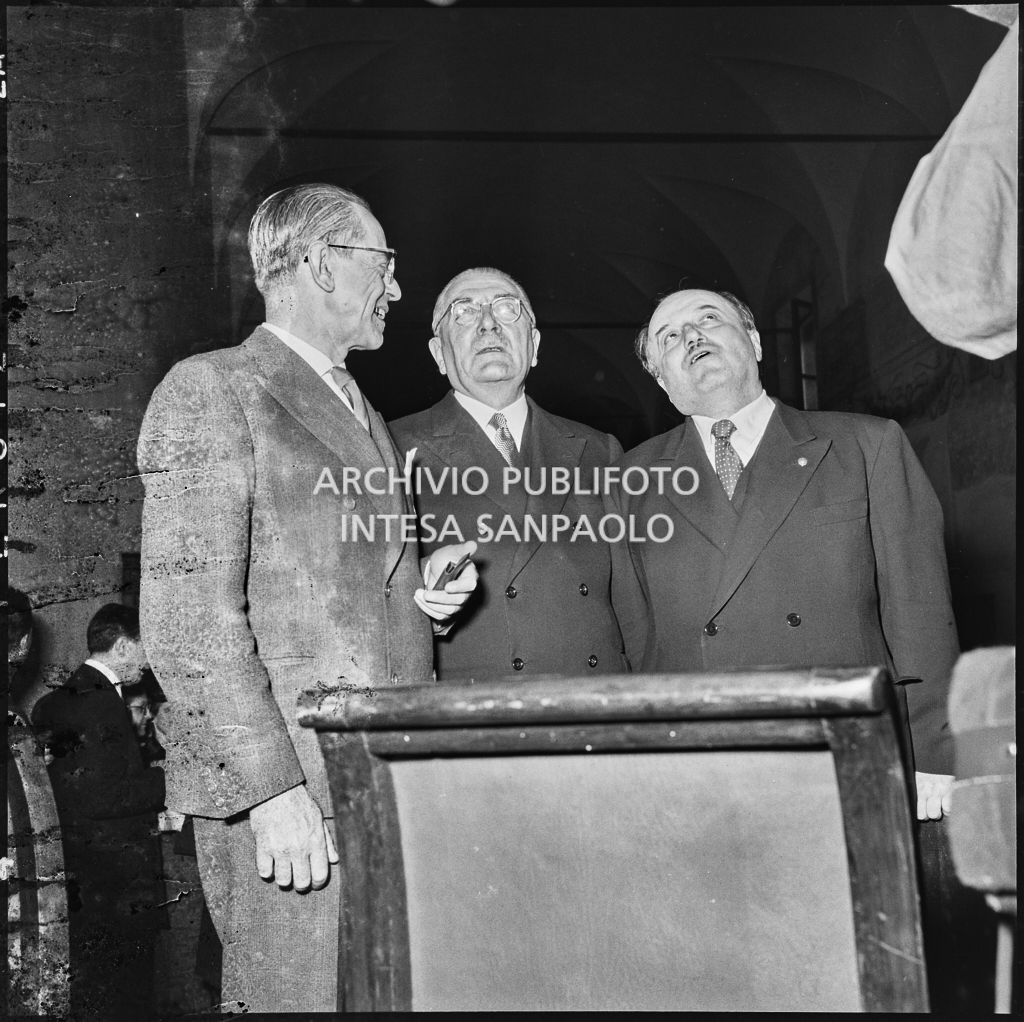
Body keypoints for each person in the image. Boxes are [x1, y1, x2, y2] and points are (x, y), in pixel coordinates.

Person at [137, 182, 477, 1013]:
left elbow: (329, 583)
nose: (396, 286)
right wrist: (270, 791)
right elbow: (188, 623)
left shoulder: (363, 411)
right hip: (296, 802)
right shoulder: (213, 389)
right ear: (323, 264)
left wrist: (422, 586)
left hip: (381, 790)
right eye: (383, 263)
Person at [610, 287, 958, 820]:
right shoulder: (629, 481)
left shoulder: (866, 445)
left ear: (754, 341)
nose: (693, 336)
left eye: (709, 319)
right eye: (670, 336)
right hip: (699, 761)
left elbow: (920, 611)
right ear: (661, 378)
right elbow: (635, 637)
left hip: (844, 747)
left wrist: (932, 750)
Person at [390, 267, 635, 681]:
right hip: (479, 706)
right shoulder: (393, 449)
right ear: (438, 354)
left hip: (594, 702)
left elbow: (633, 604)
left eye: (507, 309)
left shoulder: (599, 450)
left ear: (534, 345)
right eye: (464, 312)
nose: (488, 323)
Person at [30, 603, 166, 1020]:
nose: (148, 661)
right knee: (129, 996)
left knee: (91, 990)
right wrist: (170, 778)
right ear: (123, 646)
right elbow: (105, 797)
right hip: (120, 879)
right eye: (145, 648)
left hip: (79, 875)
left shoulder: (50, 703)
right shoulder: (104, 704)